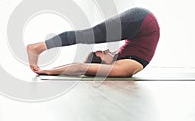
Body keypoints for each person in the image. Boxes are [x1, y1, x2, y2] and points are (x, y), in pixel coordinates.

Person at [26, 7, 160, 77]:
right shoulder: (122, 68)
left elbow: (81, 67)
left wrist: (50, 70)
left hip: (140, 23)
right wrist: (48, 71)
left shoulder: (121, 62)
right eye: (101, 53)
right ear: (102, 64)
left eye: (101, 51)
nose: (106, 50)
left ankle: (38, 47)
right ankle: (37, 48)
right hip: (142, 23)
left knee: (87, 35)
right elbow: (81, 67)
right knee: (86, 36)